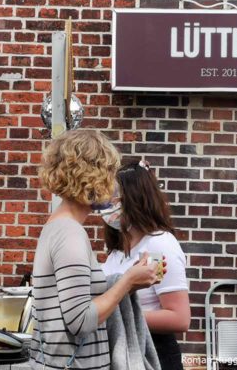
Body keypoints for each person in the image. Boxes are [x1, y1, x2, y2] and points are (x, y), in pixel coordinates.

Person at [31, 129, 160, 370]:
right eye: (110, 172)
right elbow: (80, 321)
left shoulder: (57, 227)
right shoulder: (70, 234)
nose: (113, 183)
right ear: (92, 176)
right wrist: (127, 283)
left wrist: (127, 280)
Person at [102, 160, 191, 370]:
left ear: (134, 199)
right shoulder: (118, 251)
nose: (107, 203)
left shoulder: (158, 245)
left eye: (114, 196)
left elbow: (179, 318)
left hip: (153, 354)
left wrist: (119, 317)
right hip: (126, 352)